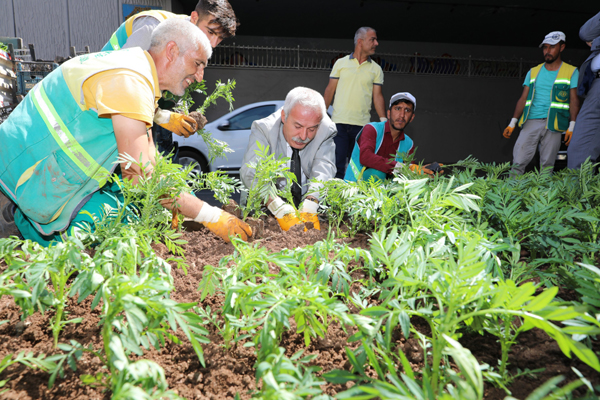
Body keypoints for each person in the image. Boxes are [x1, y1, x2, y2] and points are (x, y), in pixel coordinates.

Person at [0, 19, 251, 245]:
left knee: (127, 213)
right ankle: (24, 224)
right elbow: (141, 177)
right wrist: (211, 215)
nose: (199, 76)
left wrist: (176, 203)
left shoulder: (138, 72)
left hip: (42, 166)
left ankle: (25, 216)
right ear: (172, 51)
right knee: (115, 230)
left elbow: (149, 160)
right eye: (197, 64)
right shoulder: (130, 81)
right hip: (25, 169)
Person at [102, 0, 239, 162]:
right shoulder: (154, 28)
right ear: (194, 18)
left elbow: (165, 90)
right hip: (103, 109)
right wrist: (164, 118)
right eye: (210, 32)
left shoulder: (192, 45)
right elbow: (123, 83)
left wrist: (180, 115)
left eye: (220, 38)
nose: (213, 43)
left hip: (134, 114)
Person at [240, 87, 337, 231]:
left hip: (308, 206)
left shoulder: (326, 131)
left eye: (311, 129)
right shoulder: (264, 129)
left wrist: (311, 202)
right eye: (298, 126)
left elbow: (324, 170)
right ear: (284, 116)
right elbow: (251, 172)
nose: (303, 136)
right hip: (265, 209)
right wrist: (276, 206)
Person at [502, 31, 580, 176]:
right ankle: (512, 194)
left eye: (552, 47)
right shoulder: (533, 71)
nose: (547, 51)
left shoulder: (571, 71)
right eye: (545, 47)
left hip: (555, 124)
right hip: (531, 120)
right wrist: (512, 123)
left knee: (547, 166)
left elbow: (574, 100)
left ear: (562, 48)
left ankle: (543, 197)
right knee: (518, 162)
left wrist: (572, 126)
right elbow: (523, 98)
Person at [323, 27, 386, 179]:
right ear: (360, 42)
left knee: (357, 167)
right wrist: (321, 115)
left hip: (362, 127)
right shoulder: (340, 63)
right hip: (339, 124)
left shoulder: (376, 69)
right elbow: (330, 90)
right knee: (337, 167)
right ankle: (335, 200)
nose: (376, 43)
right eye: (372, 39)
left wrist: (384, 120)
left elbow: (377, 96)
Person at [345, 92, 438, 182]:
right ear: (388, 114)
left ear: (412, 117)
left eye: (407, 110)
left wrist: (423, 172)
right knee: (377, 173)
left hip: (386, 194)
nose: (402, 115)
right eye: (398, 109)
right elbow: (366, 157)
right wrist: (400, 167)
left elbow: (408, 175)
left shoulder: (408, 144)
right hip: (354, 189)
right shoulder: (372, 129)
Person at [567, 12, 600, 169]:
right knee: (579, 150)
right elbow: (586, 33)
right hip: (596, 86)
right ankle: (579, 193)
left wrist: (596, 42)